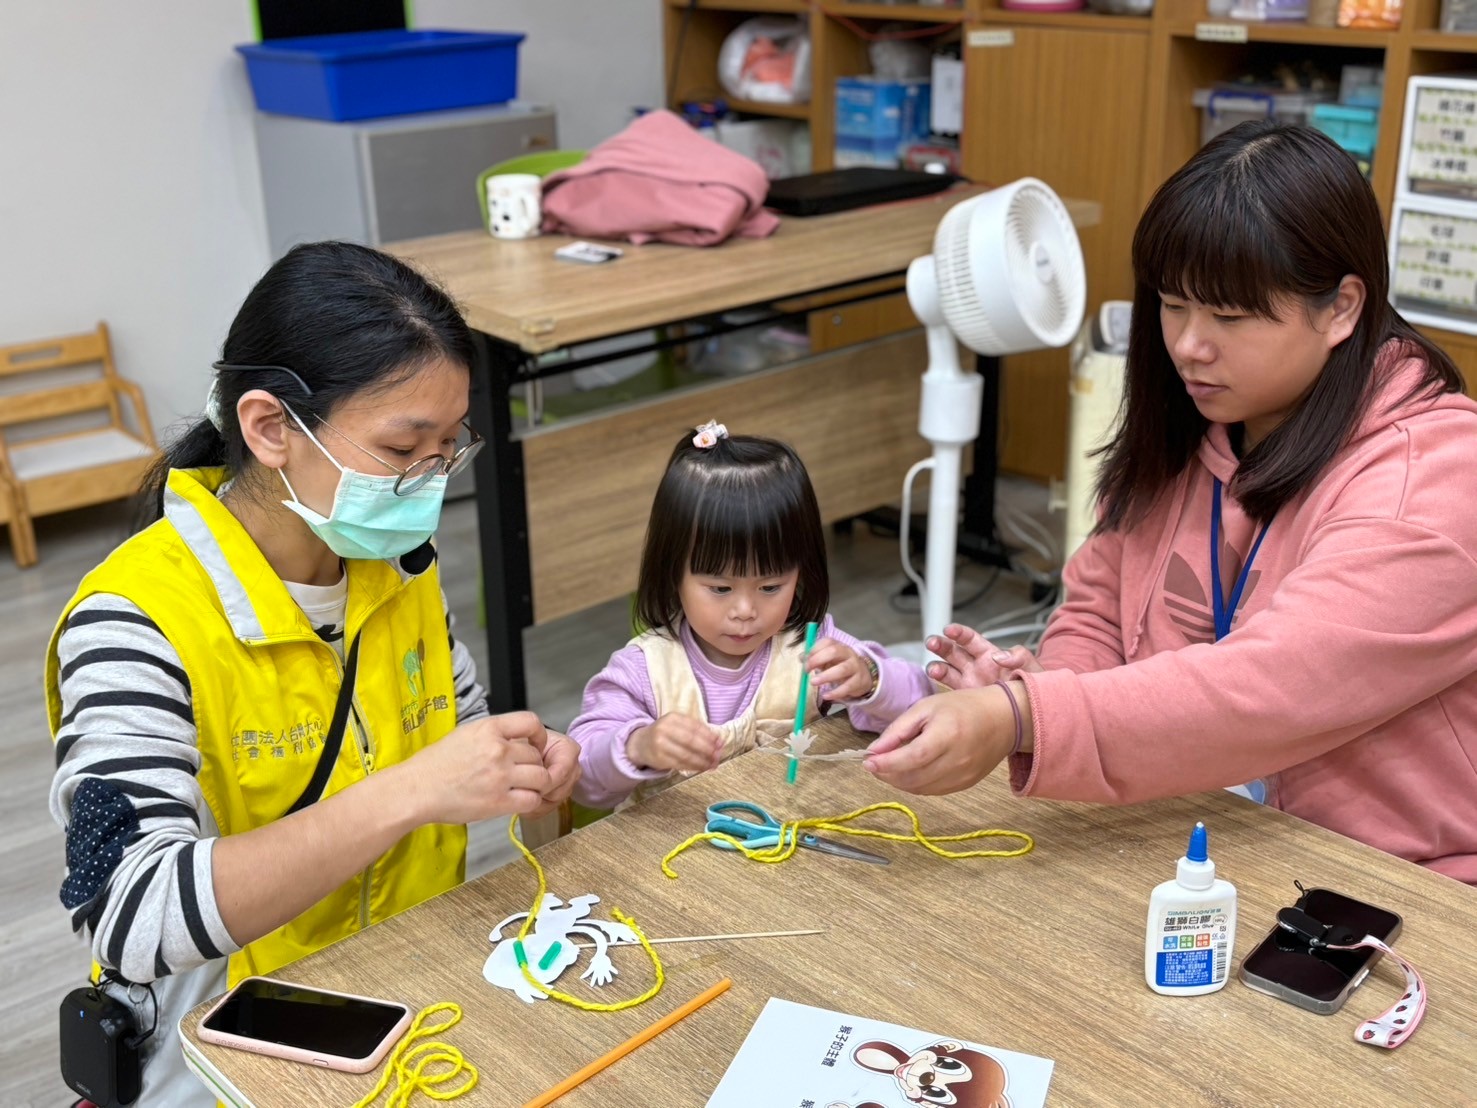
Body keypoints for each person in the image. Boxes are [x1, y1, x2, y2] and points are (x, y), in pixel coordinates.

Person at [866, 122, 1477, 884]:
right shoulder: (1198, 425)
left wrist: (1026, 718)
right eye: (1172, 305)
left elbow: (1270, 688)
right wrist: (1049, 689)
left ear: (1340, 308)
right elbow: (1095, 606)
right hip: (1186, 832)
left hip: (1390, 878)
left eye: (1227, 316)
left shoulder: (1437, 480)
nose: (1188, 345)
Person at [45, 241, 581, 1102]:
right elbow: (131, 914)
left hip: (402, 998)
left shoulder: (397, 565)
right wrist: (415, 790)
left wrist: (531, 760)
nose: (432, 481)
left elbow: (458, 727)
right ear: (269, 429)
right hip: (229, 1051)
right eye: (404, 446)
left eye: (450, 446)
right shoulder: (134, 620)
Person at [569, 422, 933, 809]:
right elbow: (583, 780)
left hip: (787, 841)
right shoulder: (643, 671)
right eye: (720, 589)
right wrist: (638, 745)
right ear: (671, 572)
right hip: (675, 859)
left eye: (771, 587)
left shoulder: (811, 648)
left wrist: (869, 680)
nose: (745, 611)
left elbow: (921, 705)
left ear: (801, 571)